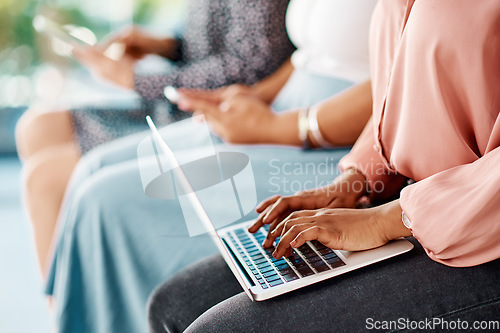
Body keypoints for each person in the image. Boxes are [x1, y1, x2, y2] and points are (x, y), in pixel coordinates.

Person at [147, 0, 500, 332]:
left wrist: (387, 220)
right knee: (174, 305)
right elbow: (407, 99)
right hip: (409, 204)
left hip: (478, 236)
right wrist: (357, 180)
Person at [45, 1, 378, 332]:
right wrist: (253, 97)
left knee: (103, 200)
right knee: (94, 167)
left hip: (341, 139)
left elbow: (400, 81)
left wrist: (278, 127)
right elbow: (312, 54)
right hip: (286, 107)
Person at [15, 0, 294, 275]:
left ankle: (69, 308)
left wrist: (137, 80)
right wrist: (164, 46)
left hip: (216, 109)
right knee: (39, 127)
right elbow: (213, 40)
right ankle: (74, 295)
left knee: (45, 180)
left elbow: (250, 68)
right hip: (174, 103)